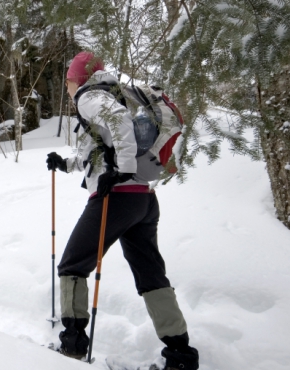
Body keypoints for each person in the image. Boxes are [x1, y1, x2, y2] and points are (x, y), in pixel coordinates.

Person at [46, 51, 199, 370]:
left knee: (73, 264)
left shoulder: (90, 97)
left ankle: (72, 346)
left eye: (69, 80)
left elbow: (118, 124)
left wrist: (121, 171)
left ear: (75, 79)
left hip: (116, 198)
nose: (68, 86)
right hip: (143, 200)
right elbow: (104, 149)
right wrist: (68, 164)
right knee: (151, 273)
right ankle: (180, 355)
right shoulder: (117, 92)